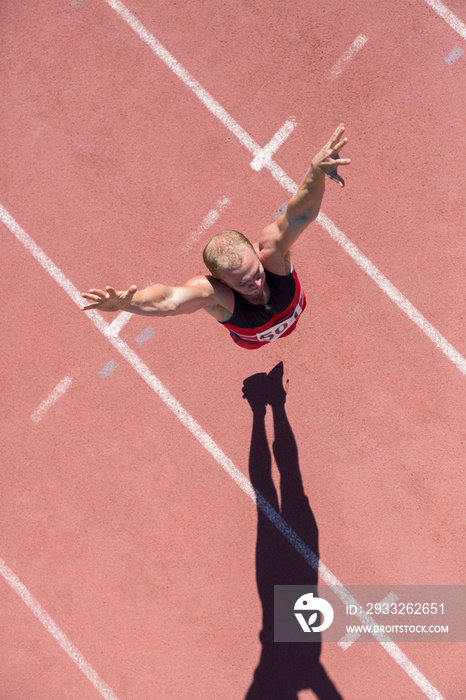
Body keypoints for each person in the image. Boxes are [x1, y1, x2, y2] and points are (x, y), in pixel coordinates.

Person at [81, 125, 350, 349]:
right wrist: (126, 303)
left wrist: (315, 173)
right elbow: (168, 301)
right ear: (223, 282)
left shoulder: (271, 254)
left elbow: (300, 215)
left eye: (256, 273)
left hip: (292, 311)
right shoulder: (215, 293)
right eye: (244, 283)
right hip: (252, 340)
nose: (258, 283)